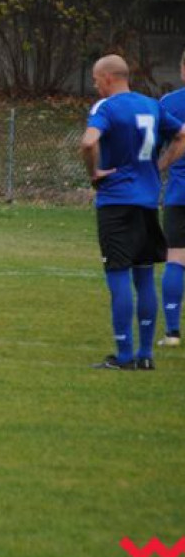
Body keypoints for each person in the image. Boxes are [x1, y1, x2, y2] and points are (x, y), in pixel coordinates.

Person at [82, 54, 185, 369]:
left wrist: (95, 172)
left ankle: (124, 355)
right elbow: (181, 135)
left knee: (117, 276)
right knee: (143, 277)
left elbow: (88, 142)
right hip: (147, 202)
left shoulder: (106, 108)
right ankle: (145, 356)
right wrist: (160, 166)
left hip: (116, 202)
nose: (95, 84)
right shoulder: (153, 105)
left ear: (109, 77)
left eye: (96, 79)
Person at [158, 45, 185, 347]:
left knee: (176, 259)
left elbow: (154, 141)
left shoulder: (169, 104)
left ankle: (172, 332)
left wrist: (159, 166)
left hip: (179, 194)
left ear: (182, 70)